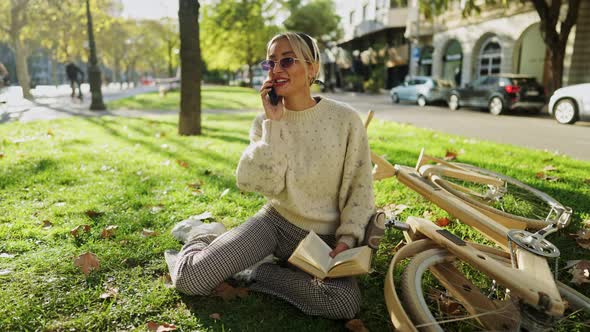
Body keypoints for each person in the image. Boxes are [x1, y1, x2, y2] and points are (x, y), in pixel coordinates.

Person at [169, 32, 375, 320]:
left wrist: (347, 239)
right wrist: (274, 124)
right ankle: (202, 235)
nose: (277, 69)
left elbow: (360, 188)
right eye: (271, 63)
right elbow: (256, 183)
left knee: (342, 303)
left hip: (324, 239)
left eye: (287, 60)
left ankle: (257, 270)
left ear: (312, 68)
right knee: (191, 280)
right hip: (275, 223)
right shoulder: (265, 122)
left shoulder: (346, 119)